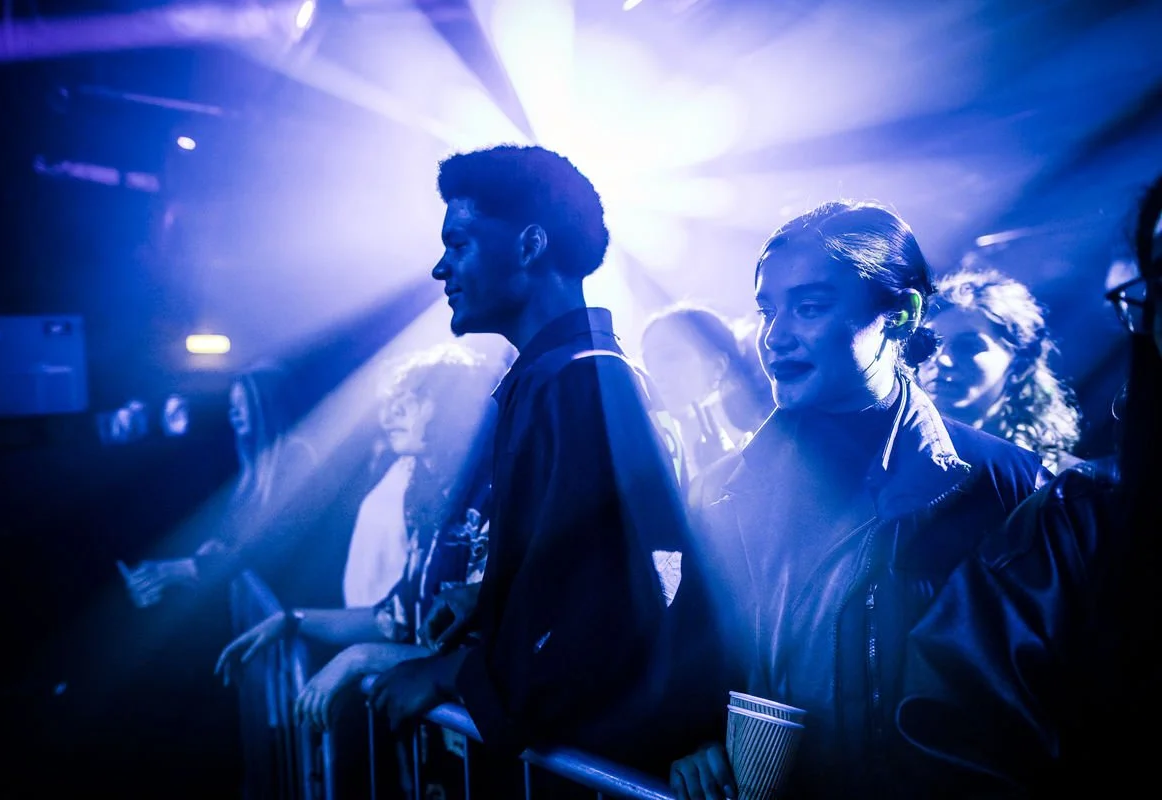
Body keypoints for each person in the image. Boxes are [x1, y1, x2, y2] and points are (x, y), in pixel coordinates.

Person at [668, 201, 1048, 800]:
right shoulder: (723, 487)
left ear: (900, 316)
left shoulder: (1002, 482)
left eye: (811, 307)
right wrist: (693, 742)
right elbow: (695, 654)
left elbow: (1043, 694)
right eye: (769, 310)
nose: (776, 337)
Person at [367, 144, 698, 783]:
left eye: (458, 243)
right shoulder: (560, 376)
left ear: (529, 245)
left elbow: (614, 608)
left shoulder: (580, 380)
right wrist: (490, 599)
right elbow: (587, 563)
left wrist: (450, 672)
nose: (440, 267)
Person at [895, 175, 1162, 796]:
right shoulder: (1080, 518)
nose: (946, 363)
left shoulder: (1060, 490)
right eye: (936, 347)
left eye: (972, 346)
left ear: (1018, 365)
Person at [212, 342, 498, 729]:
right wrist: (292, 619)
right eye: (393, 401)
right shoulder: (430, 499)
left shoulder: (491, 501)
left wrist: (362, 657)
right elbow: (392, 618)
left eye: (412, 400)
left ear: (456, 409)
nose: (392, 413)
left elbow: (475, 655)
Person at [120, 363, 317, 606]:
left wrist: (179, 569)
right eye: (232, 406)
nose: (234, 414)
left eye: (243, 405)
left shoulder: (297, 455)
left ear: (266, 404)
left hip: (288, 611)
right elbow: (231, 544)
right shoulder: (252, 471)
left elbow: (270, 545)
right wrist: (169, 574)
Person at [919, 265, 1083, 474]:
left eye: (969, 346)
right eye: (931, 343)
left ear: (1019, 364)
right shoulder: (889, 461)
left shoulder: (1065, 480)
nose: (942, 360)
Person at [640, 301, 773, 477]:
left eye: (671, 356)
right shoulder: (656, 455)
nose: (655, 373)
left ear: (718, 365)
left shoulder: (768, 437)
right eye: (648, 363)